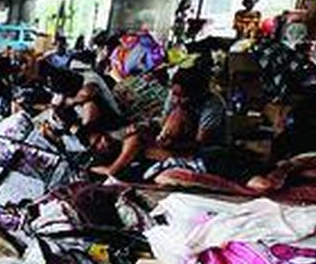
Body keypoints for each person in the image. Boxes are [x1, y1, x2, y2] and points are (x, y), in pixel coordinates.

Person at [91, 67, 223, 180]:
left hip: (201, 152)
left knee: (178, 114)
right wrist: (144, 127)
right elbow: (163, 122)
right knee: (135, 138)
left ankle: (114, 170)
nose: (176, 99)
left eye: (182, 96)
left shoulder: (212, 106)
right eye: (175, 94)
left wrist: (174, 144)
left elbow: (201, 143)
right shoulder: (174, 95)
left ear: (197, 94)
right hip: (175, 141)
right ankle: (115, 168)